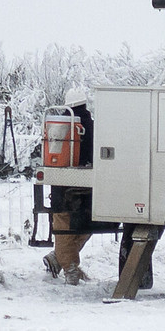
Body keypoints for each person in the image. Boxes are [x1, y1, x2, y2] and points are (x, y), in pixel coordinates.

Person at [45, 86, 94, 284]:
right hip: (87, 179)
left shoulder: (59, 125)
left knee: (63, 224)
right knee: (88, 223)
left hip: (61, 179)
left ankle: (64, 263)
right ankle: (67, 265)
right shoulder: (89, 123)